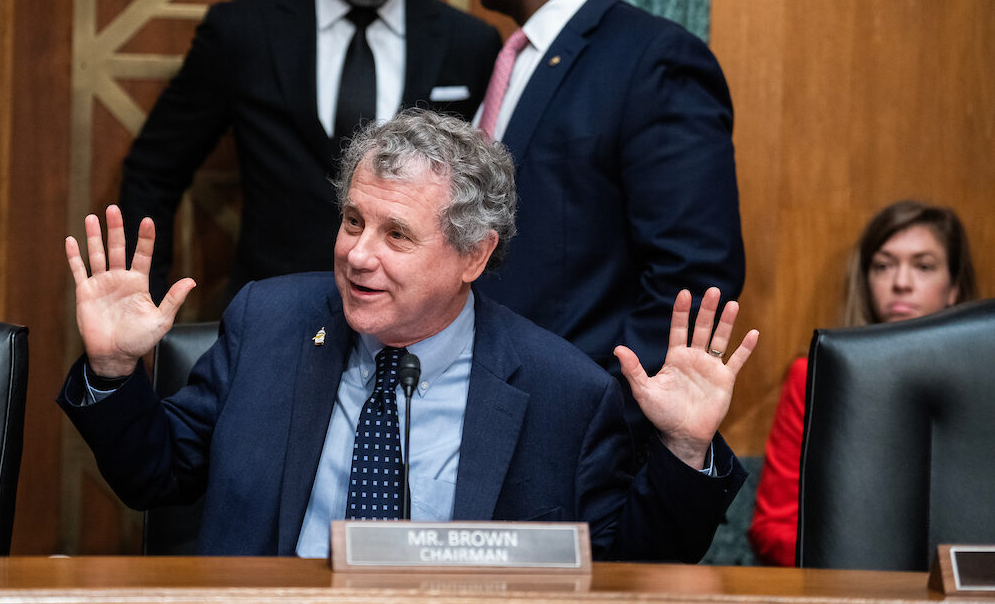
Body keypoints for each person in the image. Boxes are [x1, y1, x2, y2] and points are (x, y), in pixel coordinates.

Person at [59, 109, 759, 559]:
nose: (360, 255)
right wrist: (114, 370)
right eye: (354, 221)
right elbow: (155, 473)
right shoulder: (269, 322)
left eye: (398, 235)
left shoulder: (562, 392)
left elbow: (626, 572)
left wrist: (685, 449)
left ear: (473, 256)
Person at [120, 0, 502, 304]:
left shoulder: (468, 43)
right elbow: (155, 170)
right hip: (272, 307)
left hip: (414, 315)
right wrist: (143, 296)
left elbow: (488, 200)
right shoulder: (244, 32)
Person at [466, 0, 745, 447]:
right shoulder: (509, 60)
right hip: (484, 414)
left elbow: (692, 272)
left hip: (577, 433)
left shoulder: (655, 61)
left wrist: (603, 409)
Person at [748, 200, 978, 566]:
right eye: (883, 266)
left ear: (954, 287)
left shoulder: (986, 380)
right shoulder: (812, 377)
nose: (901, 283)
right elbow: (775, 526)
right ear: (866, 280)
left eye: (923, 266)